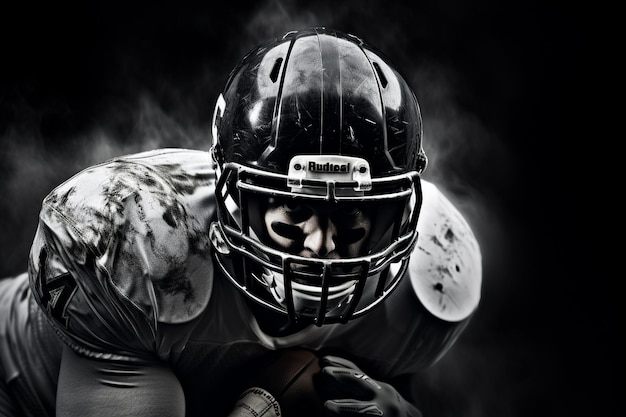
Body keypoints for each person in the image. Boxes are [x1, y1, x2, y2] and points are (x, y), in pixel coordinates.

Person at [0, 27, 481, 417]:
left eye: (352, 212)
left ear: (394, 211)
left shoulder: (431, 277)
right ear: (238, 200)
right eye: (295, 209)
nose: (322, 243)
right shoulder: (140, 241)